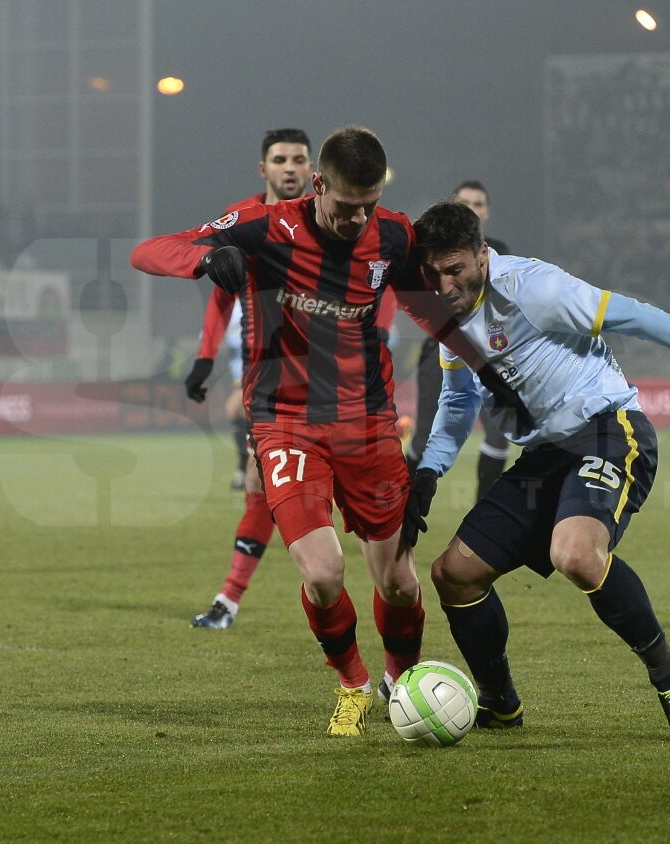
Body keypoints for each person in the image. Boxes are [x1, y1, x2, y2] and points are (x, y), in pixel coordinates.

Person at [131, 127, 529, 737]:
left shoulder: (392, 235)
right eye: (347, 206)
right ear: (318, 185)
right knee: (321, 573)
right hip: (285, 421)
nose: (358, 218)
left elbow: (429, 309)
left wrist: (486, 368)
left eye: (369, 204)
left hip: (368, 423)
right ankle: (353, 684)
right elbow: (149, 250)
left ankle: (401, 681)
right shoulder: (265, 227)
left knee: (399, 582)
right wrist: (204, 258)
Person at [402, 201, 670, 742]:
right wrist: (429, 472)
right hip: (545, 456)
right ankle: (501, 704)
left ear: (482, 255)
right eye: (432, 272)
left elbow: (635, 314)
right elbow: (459, 401)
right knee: (454, 575)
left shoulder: (535, 289)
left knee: (576, 555)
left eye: (454, 269)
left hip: (608, 429)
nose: (443, 285)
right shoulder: (448, 319)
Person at [181, 128, 314, 630]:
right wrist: (204, 358)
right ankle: (230, 598)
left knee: (352, 505)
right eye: (280, 159)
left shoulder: (330, 217)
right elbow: (221, 291)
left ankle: (383, 620)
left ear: (311, 168)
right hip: (272, 382)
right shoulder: (245, 221)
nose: (289, 168)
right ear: (264, 169)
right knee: (261, 483)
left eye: (298, 159)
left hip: (336, 381)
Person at [405, 180, 511, 499]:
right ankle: (403, 509)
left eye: (478, 204)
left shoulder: (498, 252)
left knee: (499, 435)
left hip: (486, 353)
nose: (472, 210)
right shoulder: (427, 251)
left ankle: (484, 514)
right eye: (465, 203)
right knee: (424, 437)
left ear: (487, 212)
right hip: (439, 354)